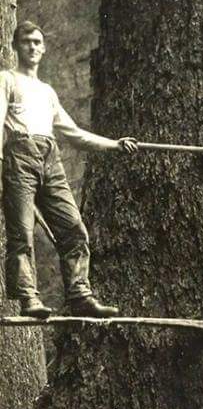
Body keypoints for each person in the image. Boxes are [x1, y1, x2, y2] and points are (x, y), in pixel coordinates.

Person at [0, 20, 138, 319]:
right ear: (15, 46)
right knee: (22, 233)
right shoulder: (6, 79)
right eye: (26, 42)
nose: (33, 47)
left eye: (37, 42)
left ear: (44, 48)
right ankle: (28, 298)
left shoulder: (47, 92)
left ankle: (80, 295)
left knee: (73, 228)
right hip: (18, 156)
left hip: (51, 158)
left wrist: (115, 144)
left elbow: (73, 133)